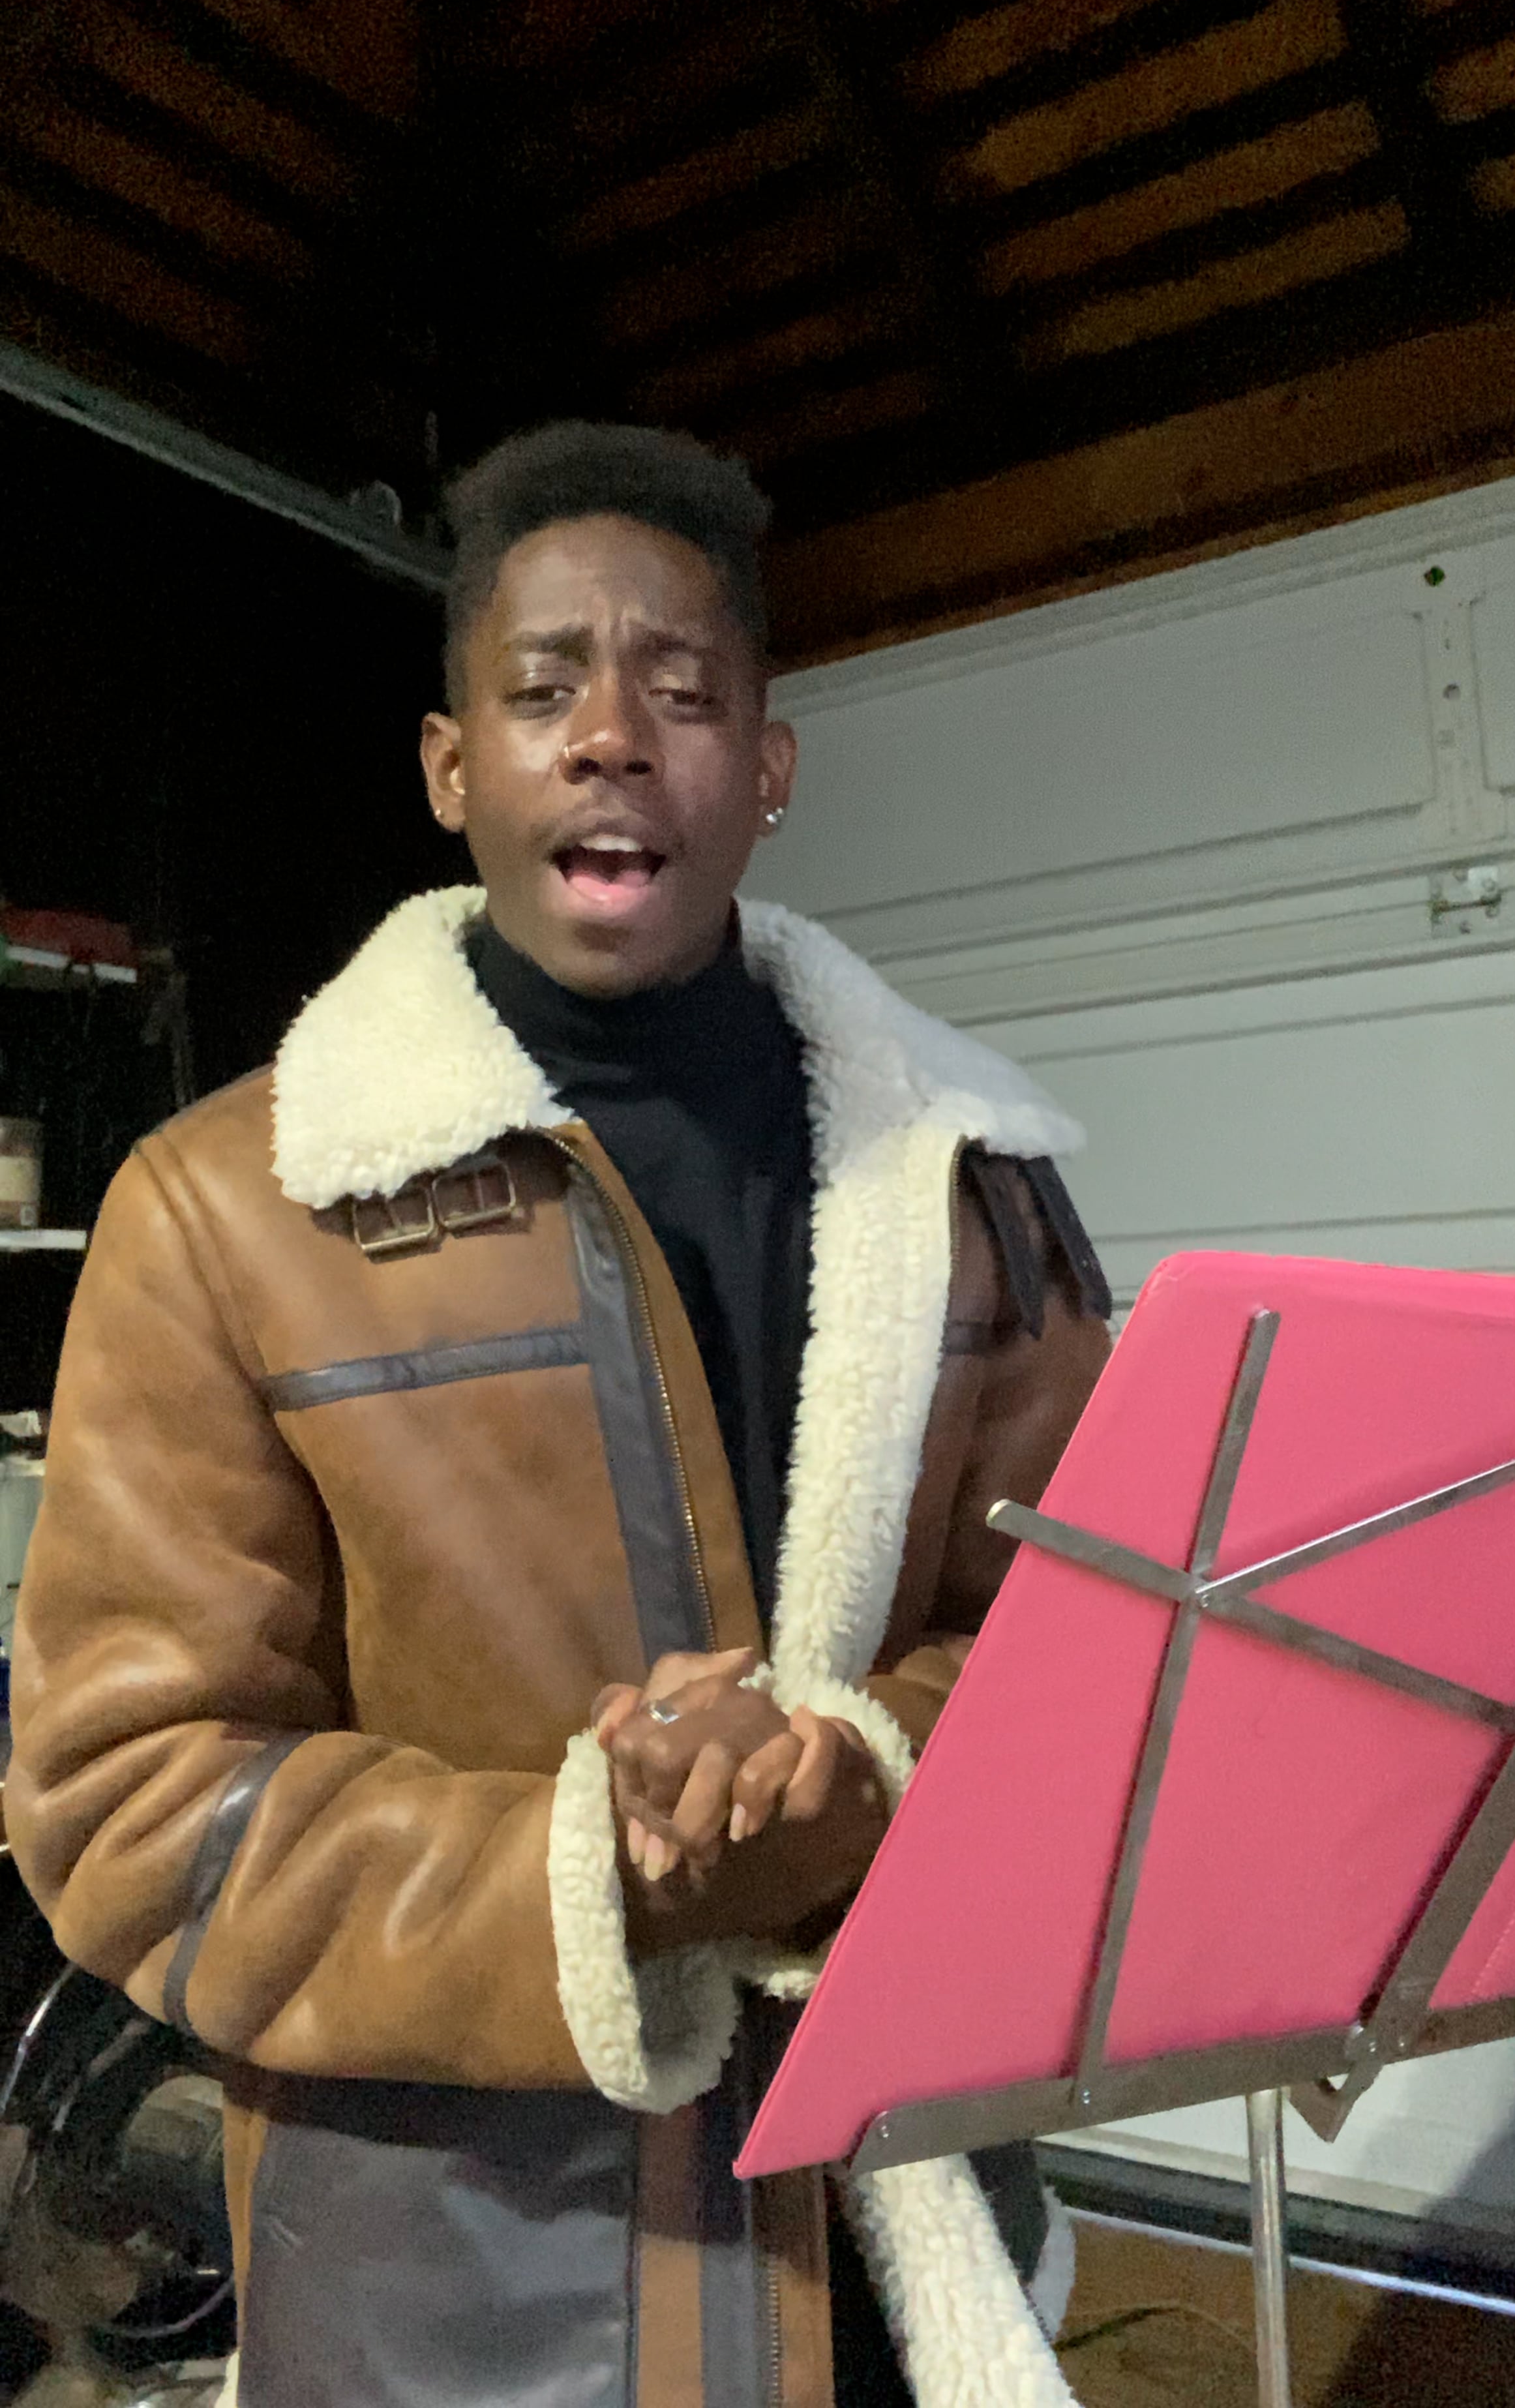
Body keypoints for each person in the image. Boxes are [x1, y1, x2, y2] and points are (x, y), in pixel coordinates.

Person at [6, 422, 1113, 2408]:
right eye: (543, 691)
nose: (611, 736)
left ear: (768, 769)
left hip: (903, 2229)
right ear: (452, 769)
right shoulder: (222, 1214)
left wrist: (866, 1774)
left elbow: (1082, 1646)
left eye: (683, 691)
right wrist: (598, 1871)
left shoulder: (973, 1185)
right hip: (457, 2310)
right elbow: (128, 1796)